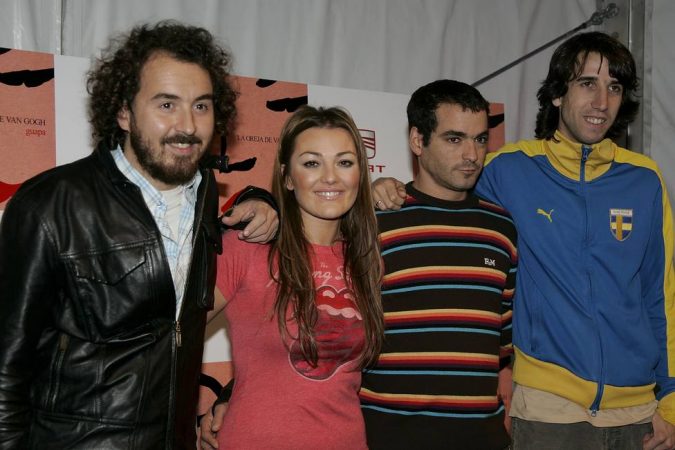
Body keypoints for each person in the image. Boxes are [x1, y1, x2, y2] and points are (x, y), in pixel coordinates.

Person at [372, 32, 675, 450]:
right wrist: (381, 187)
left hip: (639, 410)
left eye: (615, 87)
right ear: (557, 94)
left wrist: (670, 399)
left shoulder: (645, 179)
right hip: (548, 409)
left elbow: (661, 297)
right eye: (587, 83)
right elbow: (440, 184)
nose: (602, 102)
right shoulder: (507, 170)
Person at [0, 21, 278, 449]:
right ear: (124, 112)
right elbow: (6, 367)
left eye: (201, 106)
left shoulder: (204, 196)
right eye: (167, 104)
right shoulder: (51, 204)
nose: (188, 126)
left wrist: (263, 199)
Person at [199, 105, 384, 449]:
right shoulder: (247, 248)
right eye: (312, 163)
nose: (330, 177)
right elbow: (169, 337)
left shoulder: (366, 259)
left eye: (345, 162)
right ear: (286, 177)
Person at [358, 80, 517, 449]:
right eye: (454, 139)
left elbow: (501, 339)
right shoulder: (375, 221)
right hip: (389, 436)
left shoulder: (502, 228)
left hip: (481, 437)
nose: (472, 155)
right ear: (418, 140)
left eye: (480, 139)